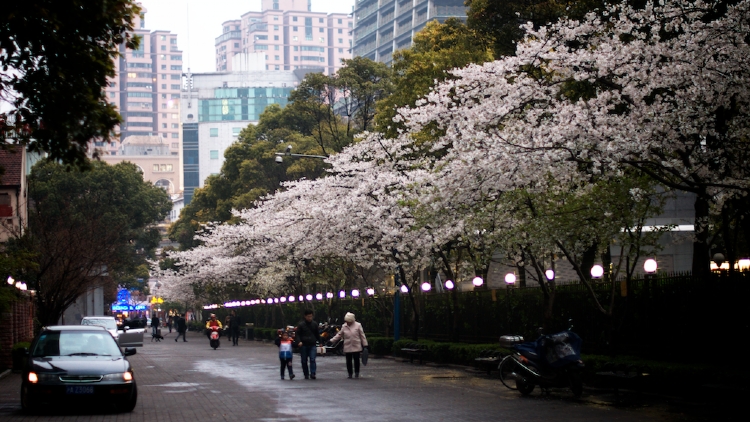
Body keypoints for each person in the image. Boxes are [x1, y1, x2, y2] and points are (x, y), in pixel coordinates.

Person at [329, 312, 368, 379]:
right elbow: (339, 335)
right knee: (348, 360)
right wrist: (332, 340)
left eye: (348, 321)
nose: (347, 322)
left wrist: (365, 345)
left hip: (356, 345)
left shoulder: (358, 325)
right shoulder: (344, 326)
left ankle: (356, 373)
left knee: (356, 360)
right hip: (347, 345)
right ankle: (350, 373)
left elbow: (362, 335)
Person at [296, 309, 321, 379]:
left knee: (312, 359)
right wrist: (299, 341)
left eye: (311, 316)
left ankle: (313, 373)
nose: (309, 318)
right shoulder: (301, 325)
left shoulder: (314, 324)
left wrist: (320, 342)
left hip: (312, 344)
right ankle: (306, 373)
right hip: (304, 345)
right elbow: (297, 334)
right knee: (304, 360)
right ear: (305, 316)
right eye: (308, 316)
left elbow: (317, 334)